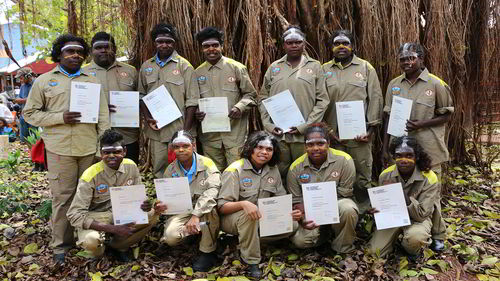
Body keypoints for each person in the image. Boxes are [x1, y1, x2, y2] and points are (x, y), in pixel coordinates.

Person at [23, 34, 110, 264]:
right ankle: (60, 246)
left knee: (89, 196)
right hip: (59, 148)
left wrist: (104, 147)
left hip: (89, 147)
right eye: (70, 51)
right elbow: (29, 114)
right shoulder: (44, 81)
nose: (75, 55)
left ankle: (87, 239)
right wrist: (60, 117)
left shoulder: (91, 81)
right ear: (59, 55)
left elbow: (102, 116)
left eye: (80, 52)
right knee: (63, 197)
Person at [382, 43, 453, 251]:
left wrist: (421, 124)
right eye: (403, 59)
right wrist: (385, 146)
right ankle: (403, 229)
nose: (406, 62)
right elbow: (388, 115)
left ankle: (438, 234)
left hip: (429, 147)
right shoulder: (394, 84)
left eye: (411, 58)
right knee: (401, 189)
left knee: (432, 192)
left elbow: (448, 114)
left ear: (421, 59)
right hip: (402, 149)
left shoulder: (436, 83)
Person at [67, 129, 164, 261]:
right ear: (101, 153)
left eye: (117, 152)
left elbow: (139, 197)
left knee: (153, 215)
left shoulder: (131, 167)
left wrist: (144, 204)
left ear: (124, 151)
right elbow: (74, 214)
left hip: (123, 214)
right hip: (97, 217)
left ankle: (119, 246)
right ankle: (99, 251)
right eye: (106, 152)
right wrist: (112, 229)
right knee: (92, 241)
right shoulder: (90, 175)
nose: (111, 155)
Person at [217, 131, 301, 278]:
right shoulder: (235, 170)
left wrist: (291, 212)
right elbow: (222, 207)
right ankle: (251, 261)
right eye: (259, 147)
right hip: (232, 219)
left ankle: (238, 241)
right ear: (251, 148)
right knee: (248, 216)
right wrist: (243, 204)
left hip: (260, 217)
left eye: (269, 149)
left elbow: (280, 199)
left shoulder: (272, 170)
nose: (264, 152)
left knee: (292, 225)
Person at [322, 30, 383, 210]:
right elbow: (317, 101)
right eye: (337, 43)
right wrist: (327, 132)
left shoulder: (365, 68)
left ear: (353, 46)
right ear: (331, 47)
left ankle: (363, 213)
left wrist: (371, 131)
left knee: (362, 176)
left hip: (359, 136)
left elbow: (375, 98)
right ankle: (335, 214)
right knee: (332, 176)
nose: (341, 46)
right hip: (332, 136)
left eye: (345, 43)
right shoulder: (324, 70)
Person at [259, 26, 329, 177]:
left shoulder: (315, 66)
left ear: (304, 43)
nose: (294, 45)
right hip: (279, 135)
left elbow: (322, 100)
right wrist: (269, 125)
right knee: (279, 172)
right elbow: (263, 98)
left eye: (298, 42)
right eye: (289, 42)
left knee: (304, 172)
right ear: (284, 45)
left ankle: (303, 200)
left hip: (303, 135)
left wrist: (304, 126)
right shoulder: (274, 67)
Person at [138, 23, 199, 178]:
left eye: (168, 41)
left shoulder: (184, 66)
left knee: (185, 167)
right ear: (155, 43)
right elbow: (141, 95)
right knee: (159, 168)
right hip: (157, 130)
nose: (164, 45)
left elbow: (192, 100)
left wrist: (184, 131)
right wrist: (147, 118)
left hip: (179, 128)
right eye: (160, 41)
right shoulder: (146, 67)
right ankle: (163, 199)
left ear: (174, 43)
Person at [287, 123, 358, 254]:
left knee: (347, 208)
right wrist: (304, 221)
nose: (316, 148)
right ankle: (325, 235)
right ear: (305, 146)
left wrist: (324, 216)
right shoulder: (295, 168)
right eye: (310, 144)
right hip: (311, 214)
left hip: (337, 207)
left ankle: (342, 248)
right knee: (300, 242)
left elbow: (345, 194)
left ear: (328, 143)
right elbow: (297, 202)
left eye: (320, 143)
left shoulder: (344, 160)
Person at [194, 27, 257, 171]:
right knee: (213, 171)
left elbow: (251, 95)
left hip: (234, 133)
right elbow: (193, 100)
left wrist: (239, 107)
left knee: (236, 170)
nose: (211, 49)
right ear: (201, 49)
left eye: (215, 45)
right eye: (206, 46)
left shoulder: (236, 68)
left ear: (222, 46)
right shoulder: (197, 73)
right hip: (210, 135)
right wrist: (197, 112)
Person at [159, 130, 220, 272]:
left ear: (193, 146)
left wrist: (195, 215)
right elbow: (168, 196)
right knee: (171, 237)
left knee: (210, 209)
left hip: (203, 210)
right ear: (173, 149)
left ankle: (207, 252)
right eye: (177, 146)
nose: (181, 150)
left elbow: (213, 191)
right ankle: (194, 234)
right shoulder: (170, 169)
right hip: (183, 210)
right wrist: (161, 204)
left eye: (185, 146)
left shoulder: (207, 164)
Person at [368, 136, 439, 258]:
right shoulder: (385, 175)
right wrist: (376, 210)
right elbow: (384, 207)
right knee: (374, 253)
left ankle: (409, 246)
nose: (404, 160)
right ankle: (397, 239)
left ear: (416, 157)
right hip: (393, 218)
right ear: (394, 157)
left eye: (409, 155)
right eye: (399, 156)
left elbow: (422, 214)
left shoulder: (429, 177)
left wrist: (399, 195)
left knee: (415, 240)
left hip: (417, 219)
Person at [83, 32, 140, 164]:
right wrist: (101, 109)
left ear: (114, 49)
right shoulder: (82, 73)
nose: (103, 50)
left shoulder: (131, 71)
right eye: (98, 47)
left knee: (127, 174)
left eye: (107, 47)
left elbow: (141, 98)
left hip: (127, 135)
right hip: (95, 136)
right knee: (99, 176)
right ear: (91, 51)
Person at [13, 67, 37, 143]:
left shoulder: (37, 84)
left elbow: (36, 99)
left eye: (21, 78)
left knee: (35, 140)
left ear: (27, 76)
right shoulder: (23, 86)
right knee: (23, 140)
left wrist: (21, 100)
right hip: (24, 116)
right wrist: (16, 103)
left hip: (34, 116)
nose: (20, 80)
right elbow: (19, 97)